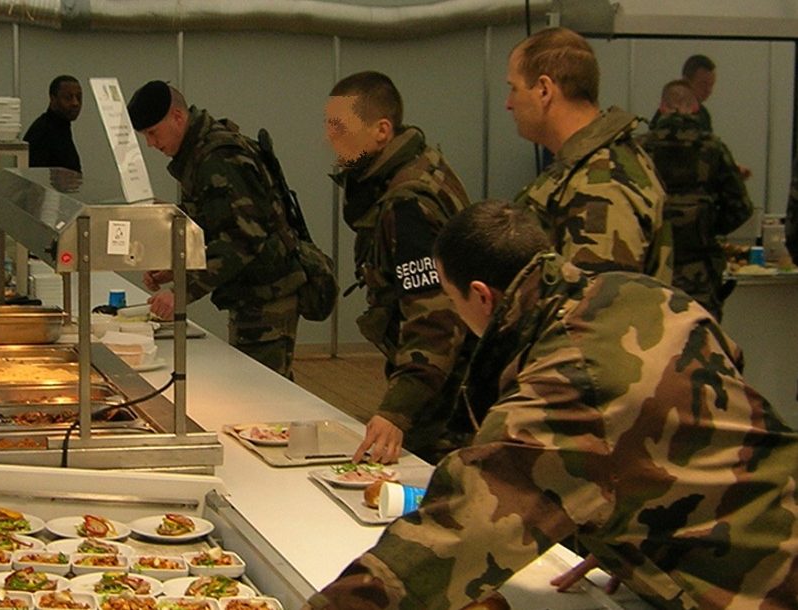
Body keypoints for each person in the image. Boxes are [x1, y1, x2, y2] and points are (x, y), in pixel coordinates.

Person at [305, 200, 798, 610]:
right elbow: (720, 396)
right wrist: (630, 519)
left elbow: (461, 529)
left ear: (480, 296)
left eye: (452, 300)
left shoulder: (570, 379)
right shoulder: (637, 292)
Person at [323, 71, 472, 465]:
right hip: (443, 382)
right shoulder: (425, 166)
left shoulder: (407, 203)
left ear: (381, 131)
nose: (330, 138)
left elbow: (435, 318)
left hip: (446, 396)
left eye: (339, 127)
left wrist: (396, 411)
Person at [126, 81, 305, 377]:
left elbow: (243, 239)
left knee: (263, 393)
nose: (151, 144)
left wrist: (181, 291)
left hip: (268, 296)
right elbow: (212, 227)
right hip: (254, 292)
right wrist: (175, 268)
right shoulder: (201, 154)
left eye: (152, 133)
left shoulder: (218, 158)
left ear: (178, 117)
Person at [507, 27, 671, 282]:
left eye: (514, 89)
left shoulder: (601, 186)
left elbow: (600, 314)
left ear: (543, 90)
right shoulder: (585, 168)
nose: (509, 103)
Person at [637, 80, 752, 320]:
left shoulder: (640, 148)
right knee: (703, 344)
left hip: (652, 270)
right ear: (696, 108)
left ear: (662, 107)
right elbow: (741, 207)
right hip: (700, 270)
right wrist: (708, 228)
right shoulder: (712, 147)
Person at [23, 75, 83, 173]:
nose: (75, 103)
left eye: (79, 97)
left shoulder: (60, 127)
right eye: (68, 97)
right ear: (53, 98)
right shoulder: (43, 131)